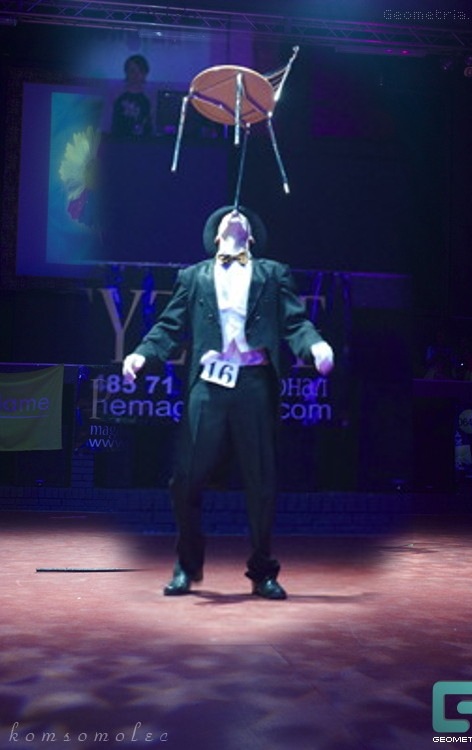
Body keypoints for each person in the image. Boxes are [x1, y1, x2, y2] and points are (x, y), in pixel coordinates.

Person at [122, 206, 334, 599]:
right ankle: (186, 565)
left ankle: (262, 571)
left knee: (261, 481)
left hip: (254, 382)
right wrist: (142, 354)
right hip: (208, 384)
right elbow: (169, 325)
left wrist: (315, 345)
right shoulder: (194, 276)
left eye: (242, 217)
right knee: (185, 478)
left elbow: (295, 322)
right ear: (216, 236)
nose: (235, 214)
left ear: (250, 238)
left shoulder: (273, 273)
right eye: (226, 216)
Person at [111, 54, 153, 138]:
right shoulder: (116, 96)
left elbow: (150, 127)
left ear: (145, 74)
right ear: (126, 72)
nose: (136, 75)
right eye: (132, 71)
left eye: (140, 71)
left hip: (141, 142)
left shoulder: (150, 99)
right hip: (118, 141)